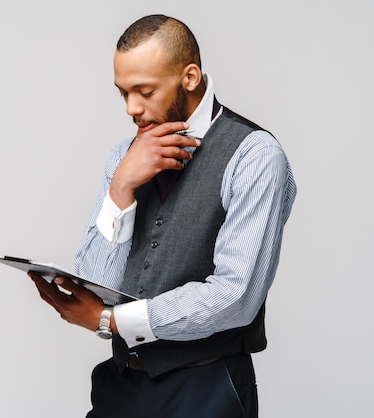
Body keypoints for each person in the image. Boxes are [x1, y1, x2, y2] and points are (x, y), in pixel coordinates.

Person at [29, 14, 296, 418]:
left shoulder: (255, 157)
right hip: (120, 387)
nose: (132, 108)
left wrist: (112, 322)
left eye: (145, 91)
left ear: (190, 77)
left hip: (206, 390)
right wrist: (121, 188)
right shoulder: (124, 158)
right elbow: (100, 283)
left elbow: (234, 297)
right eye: (123, 94)